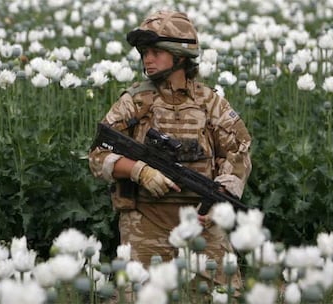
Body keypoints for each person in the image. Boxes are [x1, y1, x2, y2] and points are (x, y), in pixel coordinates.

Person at [89, 10, 252, 295]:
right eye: (143, 52)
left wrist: (218, 203)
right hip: (146, 221)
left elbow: (239, 152)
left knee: (223, 296)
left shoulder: (210, 103)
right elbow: (98, 156)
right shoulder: (134, 102)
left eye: (155, 52)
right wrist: (139, 171)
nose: (146, 59)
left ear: (179, 56)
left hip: (200, 223)